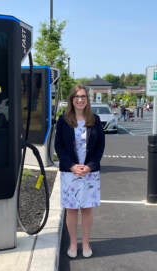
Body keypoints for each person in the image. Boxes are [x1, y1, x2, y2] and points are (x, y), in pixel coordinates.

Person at [54, 85, 105, 258]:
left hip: (90, 173)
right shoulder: (63, 120)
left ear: (87, 99)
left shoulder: (95, 120)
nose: (80, 99)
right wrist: (71, 166)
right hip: (70, 173)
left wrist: (90, 165)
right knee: (72, 209)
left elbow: (100, 147)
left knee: (87, 209)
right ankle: (73, 244)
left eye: (83, 96)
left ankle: (86, 244)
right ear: (71, 100)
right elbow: (58, 146)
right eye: (77, 96)